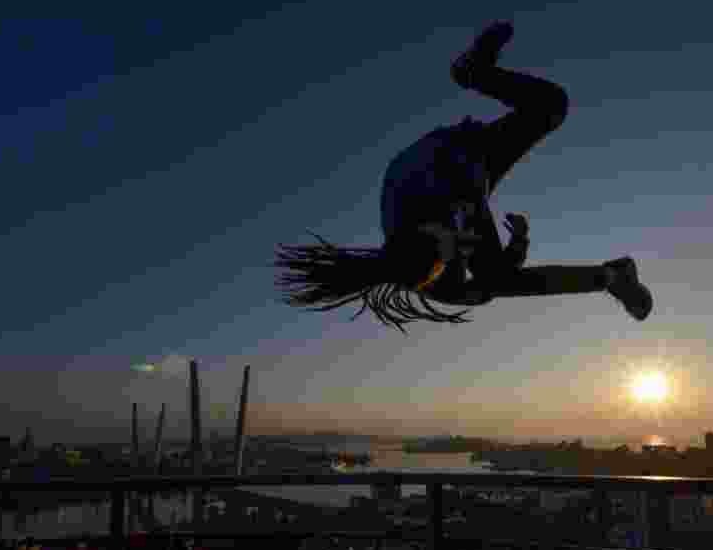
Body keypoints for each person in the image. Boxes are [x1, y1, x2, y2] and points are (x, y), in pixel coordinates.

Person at [276, 21, 652, 332]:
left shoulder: (430, 196)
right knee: (494, 281)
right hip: (458, 176)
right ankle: (612, 277)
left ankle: (476, 74)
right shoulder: (439, 281)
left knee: (552, 106)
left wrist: (500, 253)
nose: (457, 246)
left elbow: (498, 274)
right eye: (451, 254)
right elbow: (492, 282)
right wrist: (517, 243)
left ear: (425, 230)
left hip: (463, 155)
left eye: (448, 242)